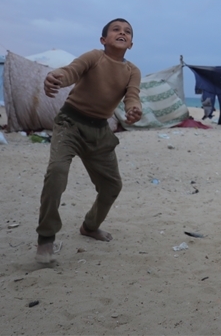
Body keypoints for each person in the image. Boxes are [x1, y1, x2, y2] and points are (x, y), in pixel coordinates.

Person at [35, 18, 143, 264]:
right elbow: (71, 71)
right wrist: (56, 77)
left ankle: (90, 226)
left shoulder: (132, 71)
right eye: (116, 29)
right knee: (57, 171)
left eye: (127, 32)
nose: (122, 33)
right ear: (103, 39)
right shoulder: (95, 56)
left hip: (100, 131)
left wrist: (135, 109)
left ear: (131, 44)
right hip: (70, 124)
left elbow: (132, 97)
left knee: (112, 186)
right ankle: (46, 238)